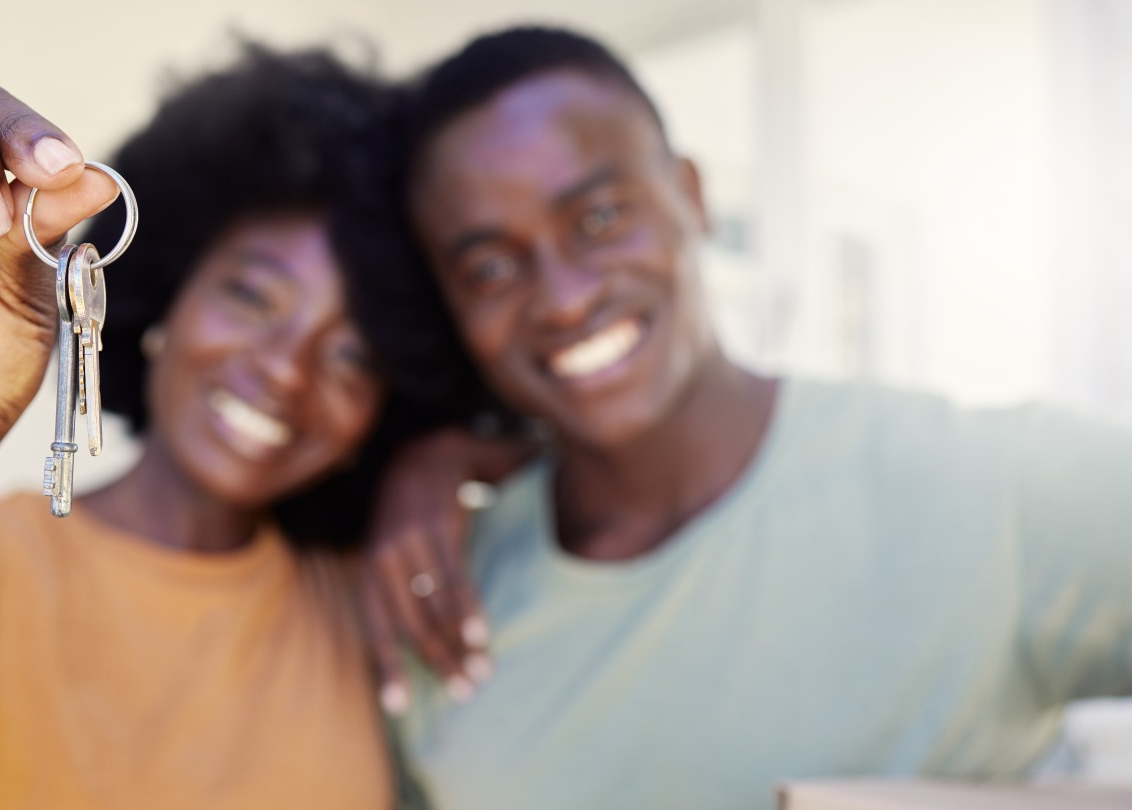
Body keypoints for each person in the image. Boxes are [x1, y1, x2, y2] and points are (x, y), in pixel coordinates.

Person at [360, 26, 1132, 808]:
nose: (564, 298)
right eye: (489, 269)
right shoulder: (439, 612)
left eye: (599, 219)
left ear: (690, 197)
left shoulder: (990, 489)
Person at [0, 44, 453, 810]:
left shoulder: (377, 582)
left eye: (354, 352)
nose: (286, 366)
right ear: (168, 296)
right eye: (252, 297)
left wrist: (444, 457)